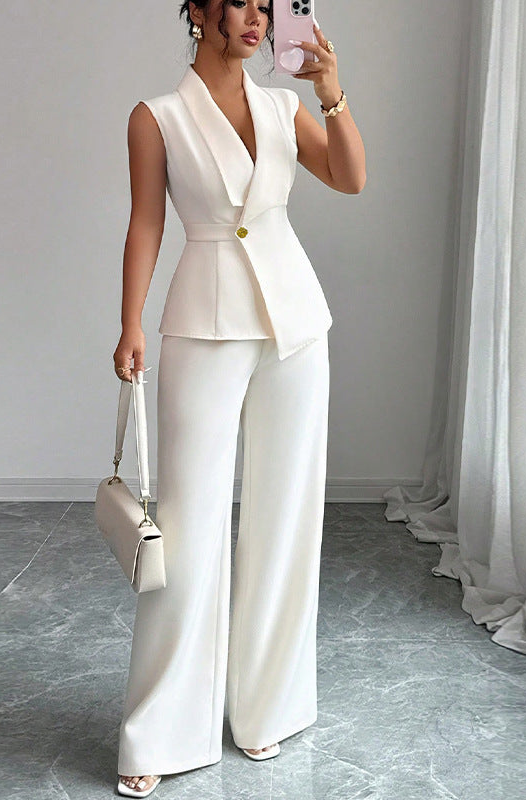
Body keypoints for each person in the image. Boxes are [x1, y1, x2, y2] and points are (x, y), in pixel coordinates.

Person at [111, 1, 365, 795]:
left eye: (265, 6)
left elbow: (351, 178)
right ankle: (162, 731)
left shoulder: (285, 108)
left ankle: (267, 710)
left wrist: (331, 91)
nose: (255, 19)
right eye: (239, 4)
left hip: (296, 325)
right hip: (204, 320)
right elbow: (146, 222)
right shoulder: (156, 117)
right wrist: (130, 322)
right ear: (197, 10)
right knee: (186, 531)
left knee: (287, 518)